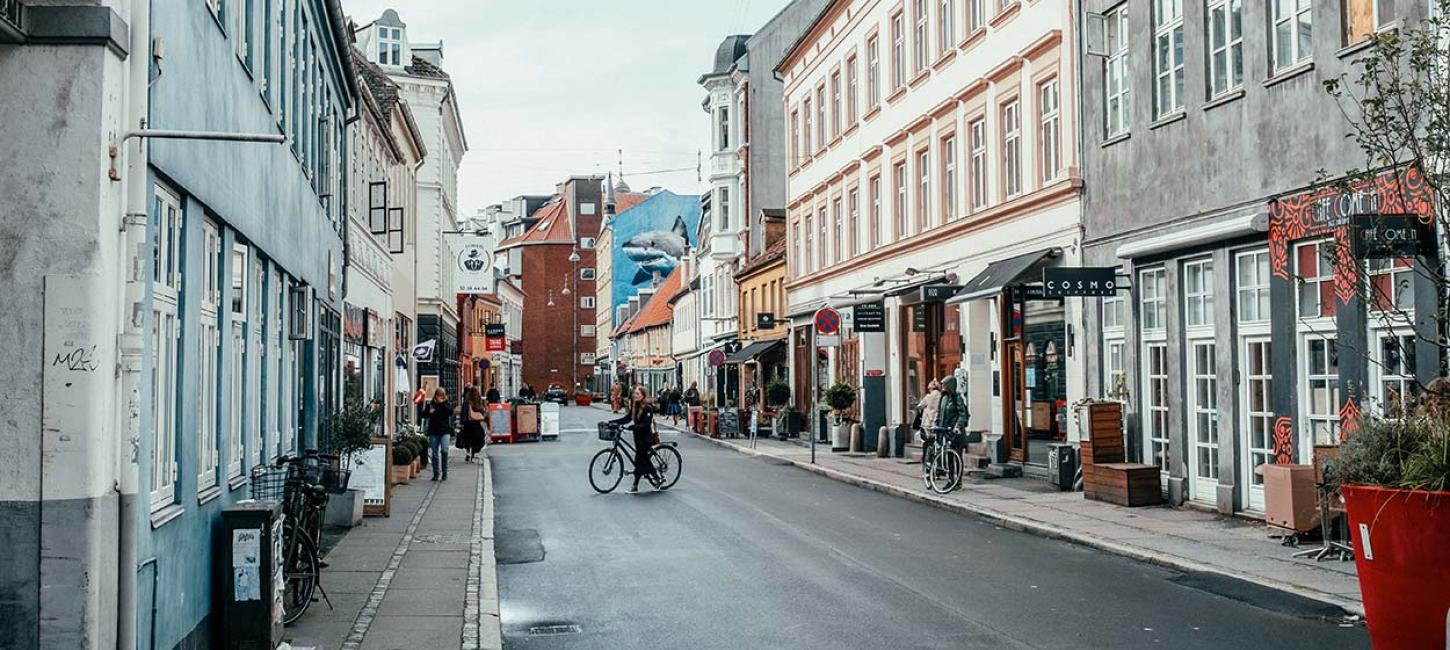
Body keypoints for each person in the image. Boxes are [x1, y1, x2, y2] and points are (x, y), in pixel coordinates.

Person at [610, 385, 661, 493]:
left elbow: (646, 424)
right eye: (634, 394)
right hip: (637, 437)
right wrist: (614, 422)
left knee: (640, 460)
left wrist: (633, 427)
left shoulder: (648, 408)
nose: (635, 395)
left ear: (643, 395)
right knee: (640, 461)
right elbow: (628, 418)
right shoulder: (635, 405)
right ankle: (639, 484)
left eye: (637, 394)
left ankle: (653, 479)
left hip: (646, 437)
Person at [421, 388, 453, 481]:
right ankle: (436, 473)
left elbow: (450, 412)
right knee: (434, 453)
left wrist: (442, 403)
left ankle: (445, 472)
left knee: (444, 450)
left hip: (445, 431)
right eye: (438, 396)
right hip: (434, 431)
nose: (440, 398)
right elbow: (423, 415)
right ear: (435, 395)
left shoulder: (446, 404)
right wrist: (428, 412)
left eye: (442, 396)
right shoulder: (431, 405)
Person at [460, 385, 487, 462]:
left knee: (467, 439)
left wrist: (462, 422)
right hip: (476, 424)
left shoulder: (466, 402)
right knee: (478, 438)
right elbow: (482, 412)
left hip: (467, 423)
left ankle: (468, 452)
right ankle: (473, 453)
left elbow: (463, 412)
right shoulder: (478, 402)